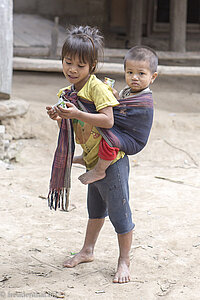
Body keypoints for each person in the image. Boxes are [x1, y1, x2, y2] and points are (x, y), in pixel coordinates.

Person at [46, 25, 134, 283]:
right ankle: (87, 250)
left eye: (80, 65)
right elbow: (73, 125)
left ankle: (124, 260)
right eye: (68, 62)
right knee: (95, 209)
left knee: (120, 213)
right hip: (93, 159)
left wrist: (76, 113)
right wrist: (59, 115)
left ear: (92, 66)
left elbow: (107, 121)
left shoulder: (97, 88)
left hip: (112, 161)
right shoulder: (67, 94)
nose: (72, 69)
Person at [78, 45, 158, 185]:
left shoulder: (144, 100)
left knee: (110, 141)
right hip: (124, 129)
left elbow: (125, 114)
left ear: (153, 77)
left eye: (141, 74)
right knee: (96, 130)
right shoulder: (128, 91)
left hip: (133, 139)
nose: (134, 77)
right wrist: (113, 95)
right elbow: (120, 106)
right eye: (130, 72)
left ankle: (99, 171)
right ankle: (85, 157)